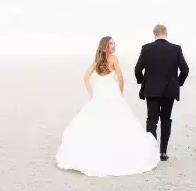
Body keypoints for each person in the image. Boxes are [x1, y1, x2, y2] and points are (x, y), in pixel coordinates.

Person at [55, 36, 160, 177]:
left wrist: (91, 94)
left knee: (97, 121)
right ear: (105, 46)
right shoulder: (114, 59)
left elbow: (85, 77)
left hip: (99, 93)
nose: (114, 46)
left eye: (114, 43)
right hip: (112, 92)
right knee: (117, 121)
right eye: (111, 44)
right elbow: (121, 79)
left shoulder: (97, 61)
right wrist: (120, 94)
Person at [134, 24, 189, 161]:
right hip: (169, 90)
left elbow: (137, 69)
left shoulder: (146, 48)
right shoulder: (176, 49)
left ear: (154, 34)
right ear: (166, 33)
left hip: (151, 90)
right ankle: (163, 153)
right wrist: (178, 83)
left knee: (151, 120)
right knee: (166, 119)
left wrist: (142, 81)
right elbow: (185, 70)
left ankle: (151, 153)